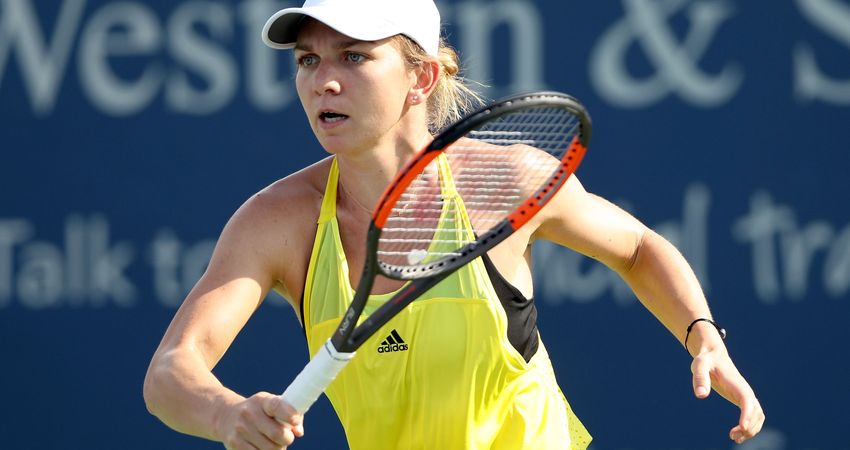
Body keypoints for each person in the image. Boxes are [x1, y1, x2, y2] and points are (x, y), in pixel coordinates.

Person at [143, 0, 765, 448]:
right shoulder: (278, 220)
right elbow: (172, 369)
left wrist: (701, 334)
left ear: (421, 77)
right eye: (308, 60)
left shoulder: (506, 181)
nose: (322, 81)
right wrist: (226, 414)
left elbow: (636, 248)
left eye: (354, 56)